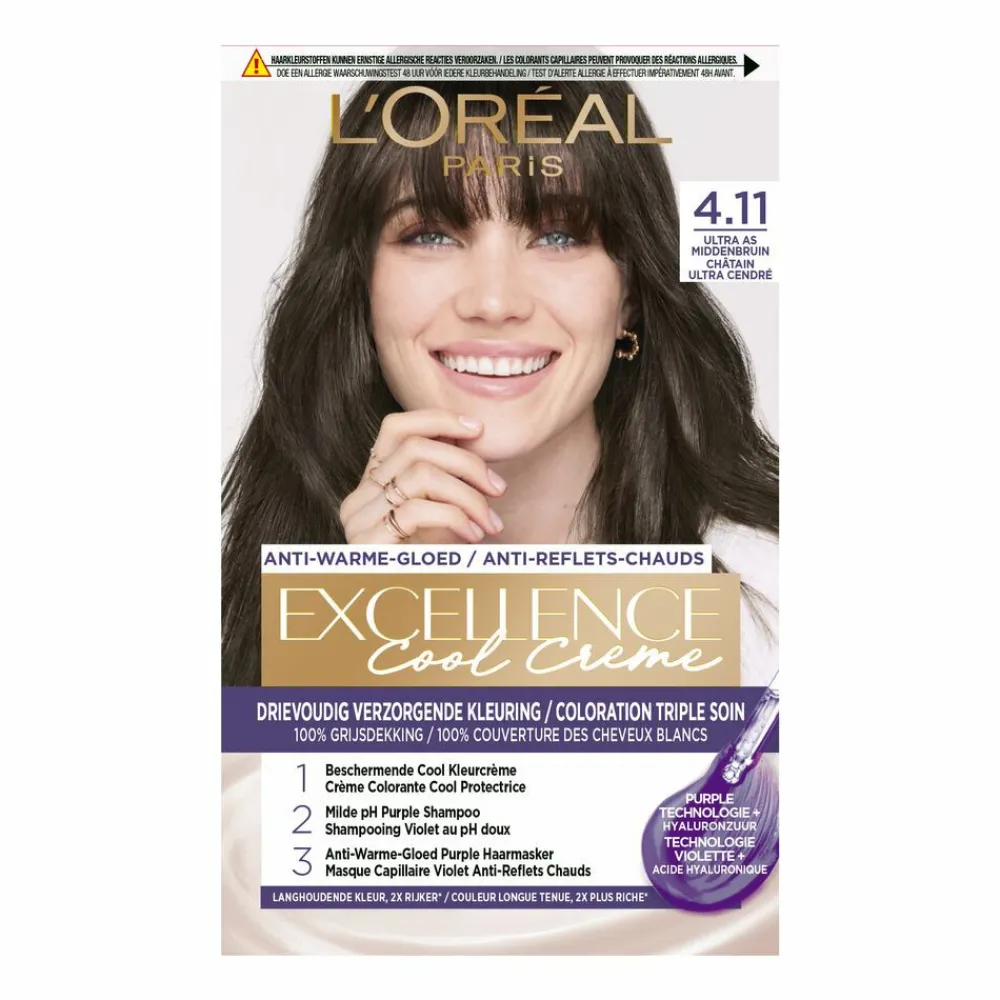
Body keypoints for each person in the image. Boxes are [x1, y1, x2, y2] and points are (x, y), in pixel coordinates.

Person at [222, 80, 778, 686]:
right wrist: (368, 627)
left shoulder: (770, 605)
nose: (493, 302)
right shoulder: (255, 599)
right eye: (431, 235)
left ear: (631, 295)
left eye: (559, 235)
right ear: (361, 287)